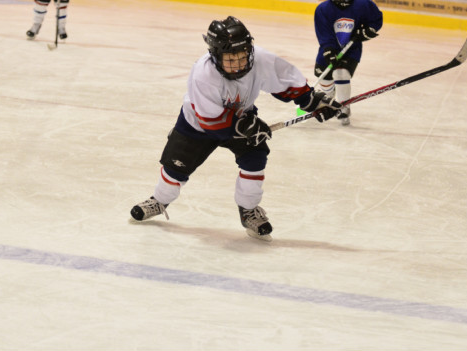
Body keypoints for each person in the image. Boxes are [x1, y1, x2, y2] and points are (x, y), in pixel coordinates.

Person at [130, 16, 342, 241]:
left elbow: (286, 82)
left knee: (255, 158)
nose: (240, 63)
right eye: (231, 58)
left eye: (243, 56)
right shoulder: (203, 74)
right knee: (176, 168)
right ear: (215, 55)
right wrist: (247, 127)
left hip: (241, 117)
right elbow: (212, 122)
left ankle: (248, 210)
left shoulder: (260, 59)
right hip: (197, 125)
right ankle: (160, 200)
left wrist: (313, 102)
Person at [313, 0, 383, 126]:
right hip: (328, 49)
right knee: (323, 77)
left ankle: (344, 107)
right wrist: (329, 51)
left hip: (351, 50)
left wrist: (367, 31)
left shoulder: (363, 5)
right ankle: (329, 97)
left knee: (341, 73)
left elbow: (376, 20)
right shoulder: (323, 9)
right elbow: (324, 34)